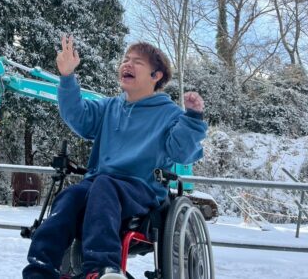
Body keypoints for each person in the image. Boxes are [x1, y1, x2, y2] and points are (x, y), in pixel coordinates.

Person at [22, 36, 207, 279]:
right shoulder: (109, 107)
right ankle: (40, 269)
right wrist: (67, 77)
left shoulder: (170, 114)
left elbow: (182, 152)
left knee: (104, 185)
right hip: (99, 186)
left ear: (156, 75)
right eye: (125, 60)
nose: (127, 64)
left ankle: (101, 268)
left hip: (141, 189)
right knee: (68, 197)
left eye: (137, 62)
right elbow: (78, 116)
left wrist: (192, 119)